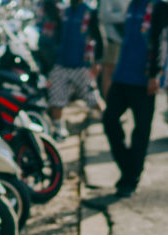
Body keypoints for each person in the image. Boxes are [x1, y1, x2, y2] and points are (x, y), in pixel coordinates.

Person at [102, 0, 168, 197]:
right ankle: (128, 167)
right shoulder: (133, 5)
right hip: (122, 76)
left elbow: (160, 40)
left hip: (144, 80)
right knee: (109, 120)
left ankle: (131, 178)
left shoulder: (159, 6)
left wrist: (155, 73)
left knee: (140, 131)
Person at [47, 0, 105, 141]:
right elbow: (57, 34)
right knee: (56, 99)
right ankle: (59, 130)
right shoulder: (64, 11)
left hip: (82, 65)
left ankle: (106, 120)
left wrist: (97, 62)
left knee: (92, 98)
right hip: (61, 63)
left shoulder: (89, 11)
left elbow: (98, 37)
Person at [99, 0, 131, 97]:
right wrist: (126, 16)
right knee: (109, 72)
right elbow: (104, 16)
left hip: (125, 41)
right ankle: (108, 100)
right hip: (112, 40)